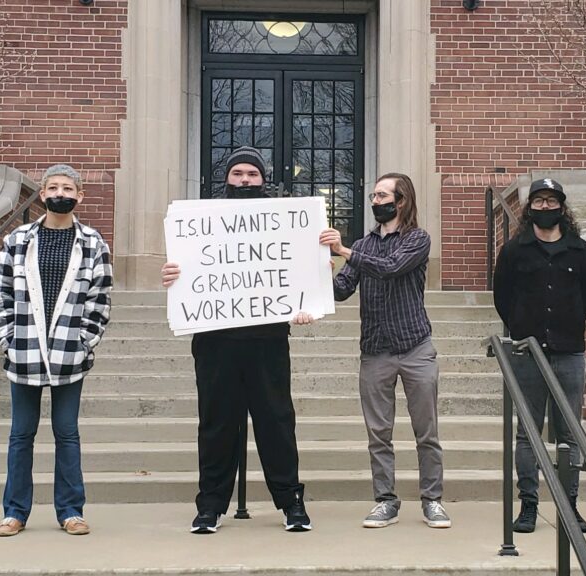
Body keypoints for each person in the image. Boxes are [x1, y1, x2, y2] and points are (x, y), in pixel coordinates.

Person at [161, 146, 314, 535]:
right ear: (225, 179)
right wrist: (173, 277)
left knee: (276, 422)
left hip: (267, 339)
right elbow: (189, 275)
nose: (245, 180)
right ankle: (210, 506)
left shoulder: (285, 223)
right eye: (237, 174)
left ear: (263, 179)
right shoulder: (200, 222)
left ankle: (291, 502)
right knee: (216, 425)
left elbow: (299, 271)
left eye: (252, 174)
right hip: (215, 341)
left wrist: (307, 292)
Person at [319, 173, 450, 529]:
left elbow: (391, 268)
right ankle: (385, 501)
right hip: (375, 350)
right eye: (374, 196)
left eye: (382, 195)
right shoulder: (364, 245)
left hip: (415, 347)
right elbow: (343, 289)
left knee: (427, 431)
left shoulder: (417, 239)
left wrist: (346, 250)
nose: (376, 201)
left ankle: (432, 500)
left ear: (401, 200)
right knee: (379, 434)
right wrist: (317, 272)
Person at [0, 164, 113, 537]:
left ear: (80, 196)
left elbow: (100, 299)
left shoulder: (93, 243)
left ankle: (71, 511)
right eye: (54, 187)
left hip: (68, 355)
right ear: (42, 194)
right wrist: (6, 338)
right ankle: (15, 512)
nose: (61, 193)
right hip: (24, 350)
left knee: (67, 433)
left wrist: (84, 341)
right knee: (20, 434)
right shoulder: (18, 239)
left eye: (69, 188)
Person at [492, 178, 586, 534]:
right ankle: (529, 506)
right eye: (539, 201)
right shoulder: (514, 251)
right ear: (529, 207)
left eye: (552, 201)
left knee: (570, 434)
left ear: (562, 207)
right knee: (528, 435)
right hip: (528, 354)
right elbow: (502, 298)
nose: (546, 207)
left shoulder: (579, 251)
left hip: (569, 352)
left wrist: (565, 328)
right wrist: (523, 329)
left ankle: (570, 506)